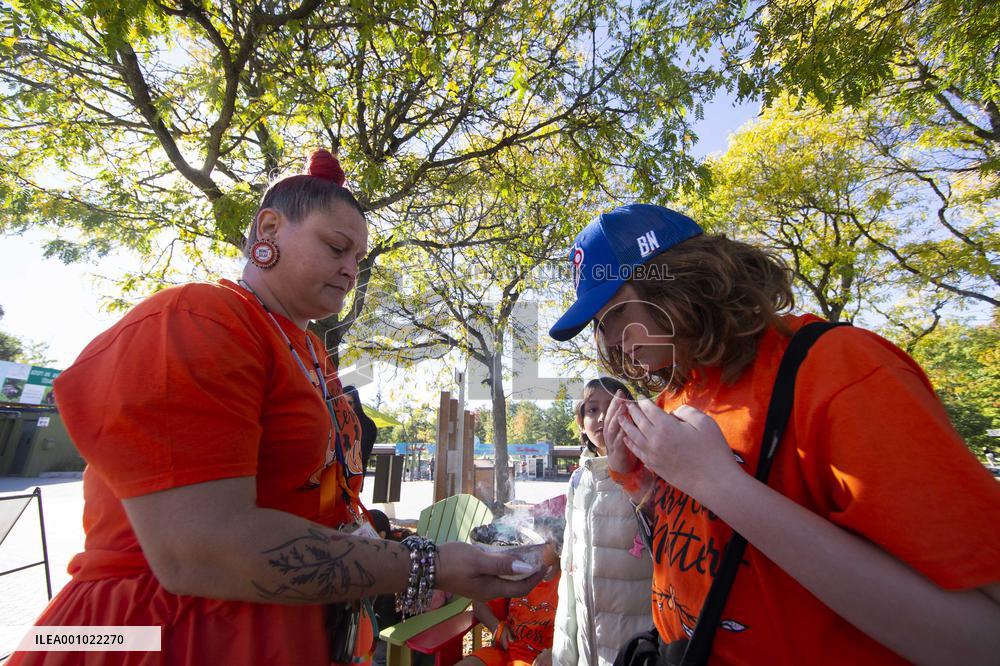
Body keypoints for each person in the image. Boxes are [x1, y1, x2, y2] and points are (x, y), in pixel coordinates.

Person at [10, 151, 543, 666]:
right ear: (268, 231)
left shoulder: (308, 351)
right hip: (158, 636)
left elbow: (320, 508)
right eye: (337, 248)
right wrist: (428, 565)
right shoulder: (198, 319)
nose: (351, 270)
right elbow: (201, 548)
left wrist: (406, 553)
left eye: (359, 259)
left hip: (285, 635)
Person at [547, 204, 1000, 665]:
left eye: (612, 314)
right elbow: (701, 548)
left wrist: (718, 483)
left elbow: (983, 638)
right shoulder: (676, 396)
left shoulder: (841, 371)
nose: (609, 343)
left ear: (676, 280)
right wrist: (640, 484)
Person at [552, 377, 653, 666]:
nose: (601, 418)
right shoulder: (577, 481)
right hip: (588, 652)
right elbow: (569, 573)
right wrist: (564, 655)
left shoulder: (647, 476)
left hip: (636, 649)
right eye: (592, 410)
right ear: (581, 423)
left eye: (611, 408)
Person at [460, 508, 566, 666]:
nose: (537, 546)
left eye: (546, 542)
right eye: (535, 540)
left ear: (560, 549)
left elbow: (580, 634)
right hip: (504, 652)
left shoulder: (565, 585)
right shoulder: (519, 574)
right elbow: (479, 604)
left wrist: (557, 654)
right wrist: (497, 628)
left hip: (539, 660)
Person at [343, 385, 378, 471]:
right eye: (342, 402)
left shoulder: (368, 425)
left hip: (354, 474)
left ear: (356, 404)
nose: (345, 407)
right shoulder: (335, 421)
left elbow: (362, 455)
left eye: (349, 403)